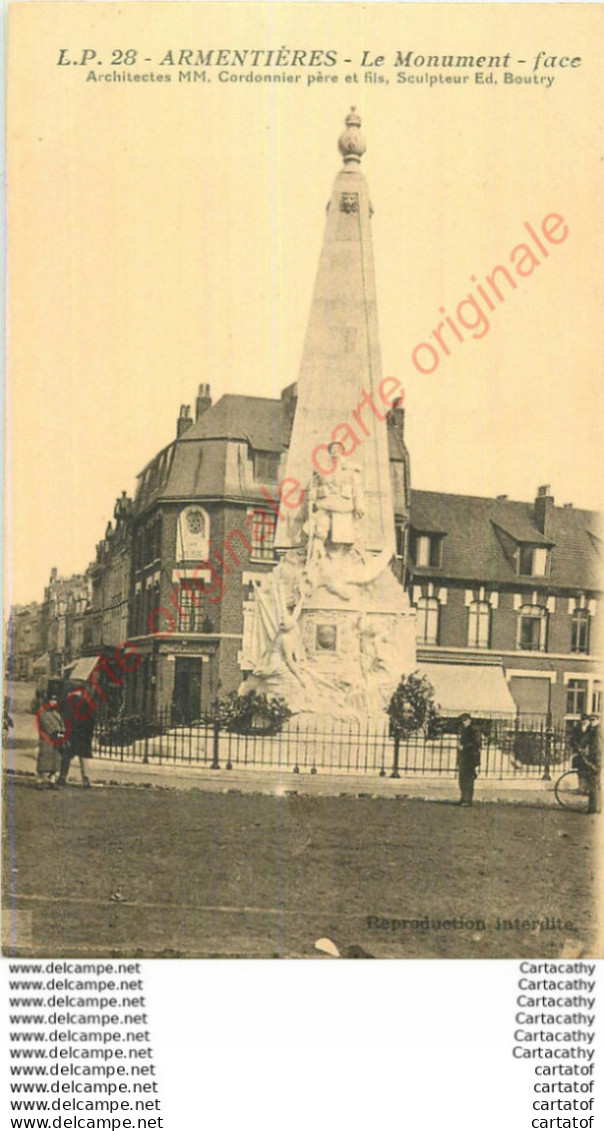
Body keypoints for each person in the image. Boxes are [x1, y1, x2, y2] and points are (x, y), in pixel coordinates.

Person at [56, 685, 94, 788]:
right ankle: (86, 779)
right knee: (83, 758)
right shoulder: (87, 704)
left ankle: (63, 777)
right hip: (83, 734)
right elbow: (91, 721)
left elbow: (63, 718)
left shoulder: (68, 703)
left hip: (71, 733)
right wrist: (89, 734)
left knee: (66, 756)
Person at [36, 696, 65, 788]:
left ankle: (52, 781)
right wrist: (56, 732)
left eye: (55, 701)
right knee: (44, 760)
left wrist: (62, 731)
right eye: (51, 700)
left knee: (55, 761)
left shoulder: (56, 713)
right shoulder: (43, 713)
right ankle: (39, 781)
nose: (53, 703)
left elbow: (62, 724)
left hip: (56, 740)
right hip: (47, 739)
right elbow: (46, 725)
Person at [457, 713, 481, 806]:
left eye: (465, 720)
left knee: (468, 779)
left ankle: (467, 800)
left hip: (471, 757)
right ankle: (463, 797)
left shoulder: (473, 730)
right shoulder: (465, 730)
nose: (464, 722)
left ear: (469, 720)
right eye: (462, 721)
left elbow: (477, 743)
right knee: (462, 779)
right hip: (465, 757)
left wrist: (464, 747)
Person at [584, 714, 601, 815]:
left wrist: (597, 762)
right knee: (594, 783)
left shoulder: (598, 731)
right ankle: (595, 807)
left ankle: (594, 808)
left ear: (598, 720)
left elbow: (598, 748)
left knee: (594, 784)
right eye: (590, 720)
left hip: (596, 760)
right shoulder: (592, 729)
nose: (591, 722)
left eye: (593, 720)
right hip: (593, 758)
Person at [570, 713, 591, 793]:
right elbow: (572, 740)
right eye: (582, 719)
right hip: (579, 752)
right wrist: (577, 748)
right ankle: (581, 788)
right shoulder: (577, 728)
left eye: (585, 720)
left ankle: (588, 788)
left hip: (589, 752)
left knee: (589, 771)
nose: (584, 721)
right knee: (580, 770)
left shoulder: (591, 728)